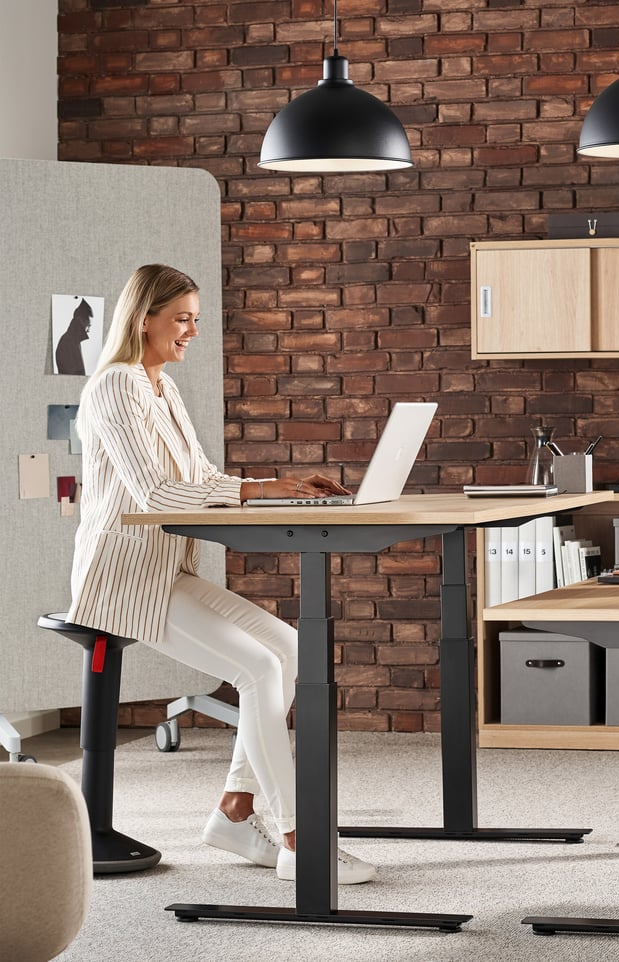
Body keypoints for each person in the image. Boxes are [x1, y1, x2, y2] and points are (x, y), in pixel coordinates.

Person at [66, 264, 375, 884]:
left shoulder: (162, 388)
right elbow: (153, 492)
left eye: (195, 319)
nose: (191, 332)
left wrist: (279, 488)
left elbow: (200, 480)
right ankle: (298, 838)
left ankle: (235, 813)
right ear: (142, 318)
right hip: (121, 576)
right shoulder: (115, 387)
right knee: (257, 667)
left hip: (166, 568)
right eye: (181, 319)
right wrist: (256, 491)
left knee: (289, 647)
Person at [56, 297, 93, 375]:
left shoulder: (72, 341)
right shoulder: (68, 343)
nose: (89, 330)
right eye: (88, 325)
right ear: (80, 320)